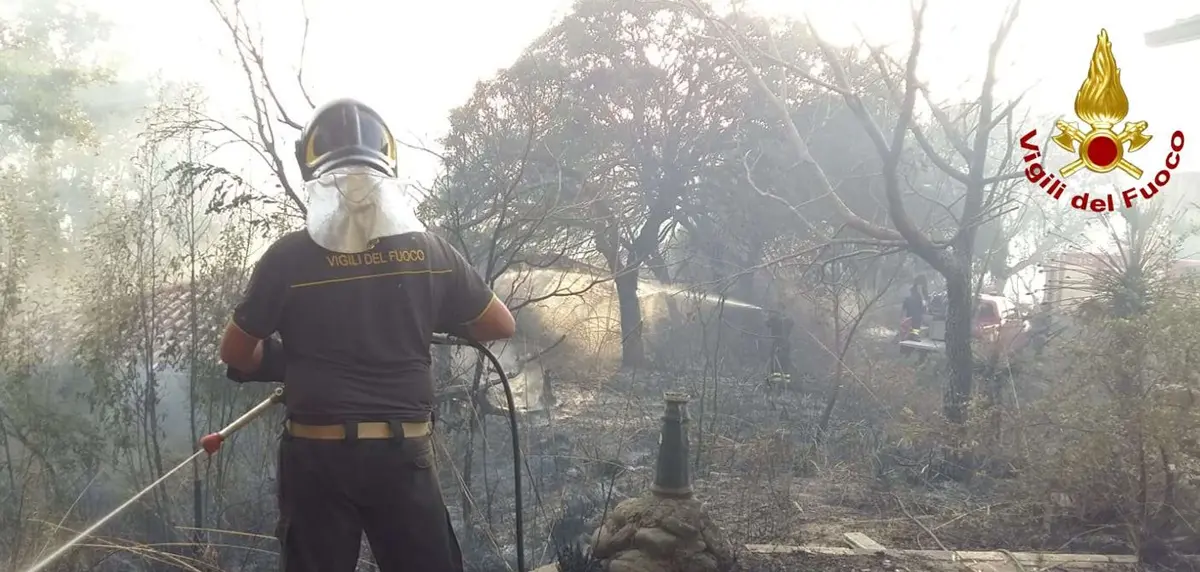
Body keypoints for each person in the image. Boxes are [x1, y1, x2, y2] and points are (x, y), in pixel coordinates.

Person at [218, 98, 516, 572]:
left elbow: (235, 352)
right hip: (403, 453)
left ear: (315, 176)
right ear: (387, 173)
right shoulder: (429, 250)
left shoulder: (288, 257)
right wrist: (425, 316)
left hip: (317, 454)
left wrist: (285, 360)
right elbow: (499, 324)